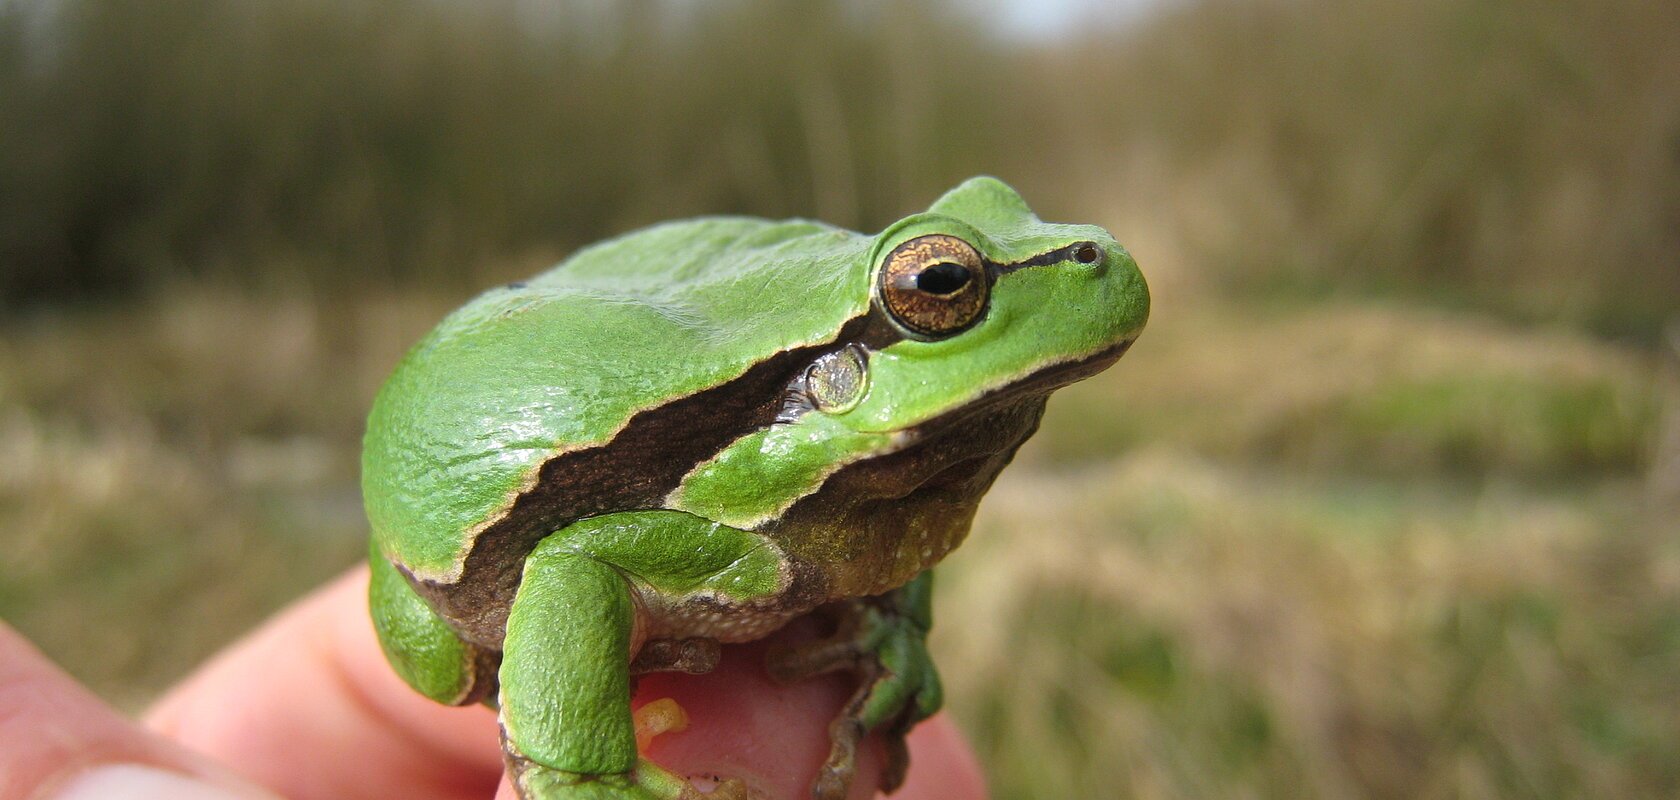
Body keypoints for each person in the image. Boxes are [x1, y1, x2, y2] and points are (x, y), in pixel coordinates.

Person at [0, 568, 987, 799]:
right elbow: (575, 564)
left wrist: (893, 619)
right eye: (940, 288)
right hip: (491, 540)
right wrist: (579, 763)